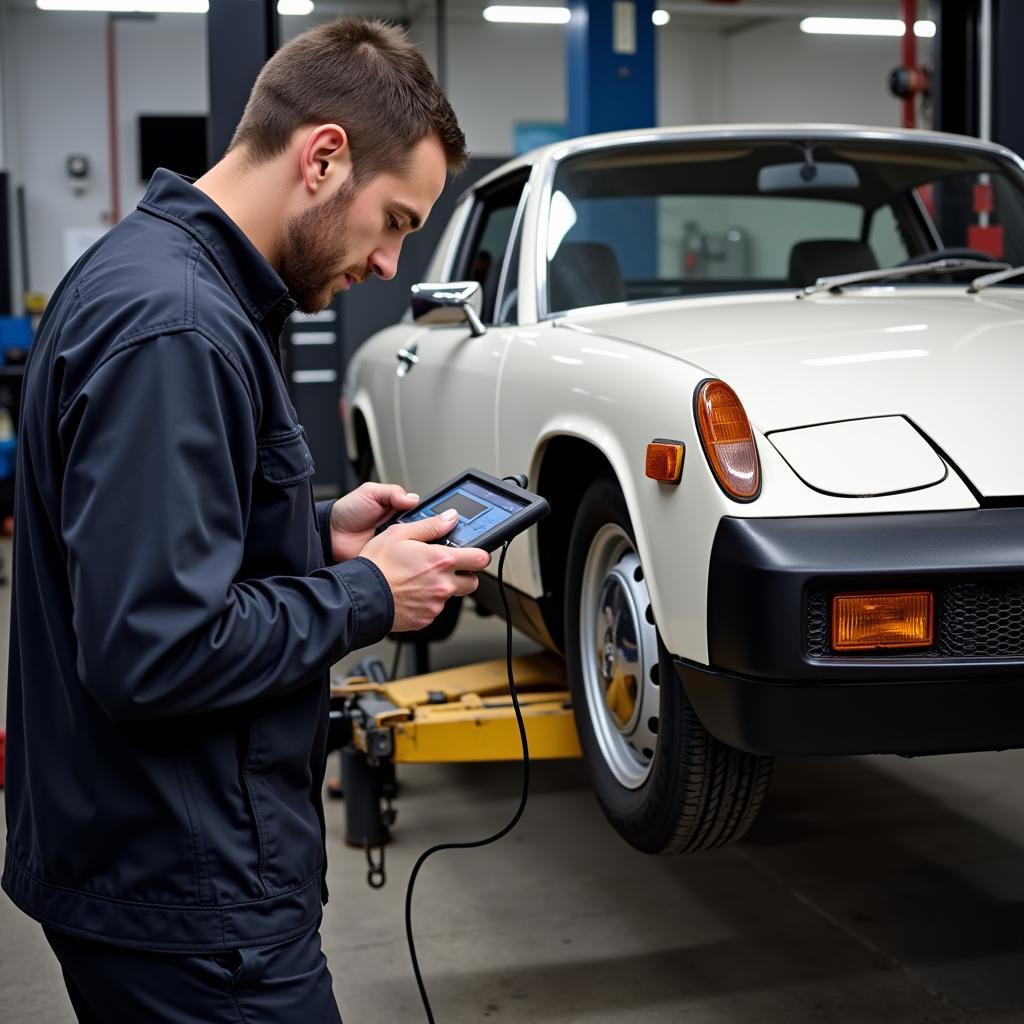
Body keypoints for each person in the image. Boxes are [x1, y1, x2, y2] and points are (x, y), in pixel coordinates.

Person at [1, 17, 487, 1023]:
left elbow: (159, 551)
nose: (392, 263)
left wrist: (317, 538)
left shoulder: (161, 279)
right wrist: (369, 592)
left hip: (156, 865)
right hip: (189, 897)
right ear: (322, 158)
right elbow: (152, 650)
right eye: (394, 220)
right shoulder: (177, 327)